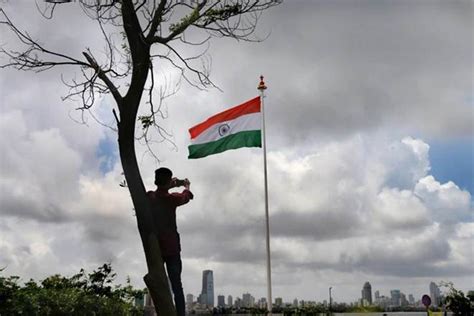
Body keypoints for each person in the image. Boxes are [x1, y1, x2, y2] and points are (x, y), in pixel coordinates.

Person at [147, 167, 193, 316]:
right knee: (177, 286)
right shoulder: (171, 199)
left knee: (160, 284)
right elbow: (186, 197)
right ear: (168, 181)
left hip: (155, 248)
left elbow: (160, 192)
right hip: (171, 248)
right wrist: (186, 186)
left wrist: (170, 185)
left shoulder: (150, 197)